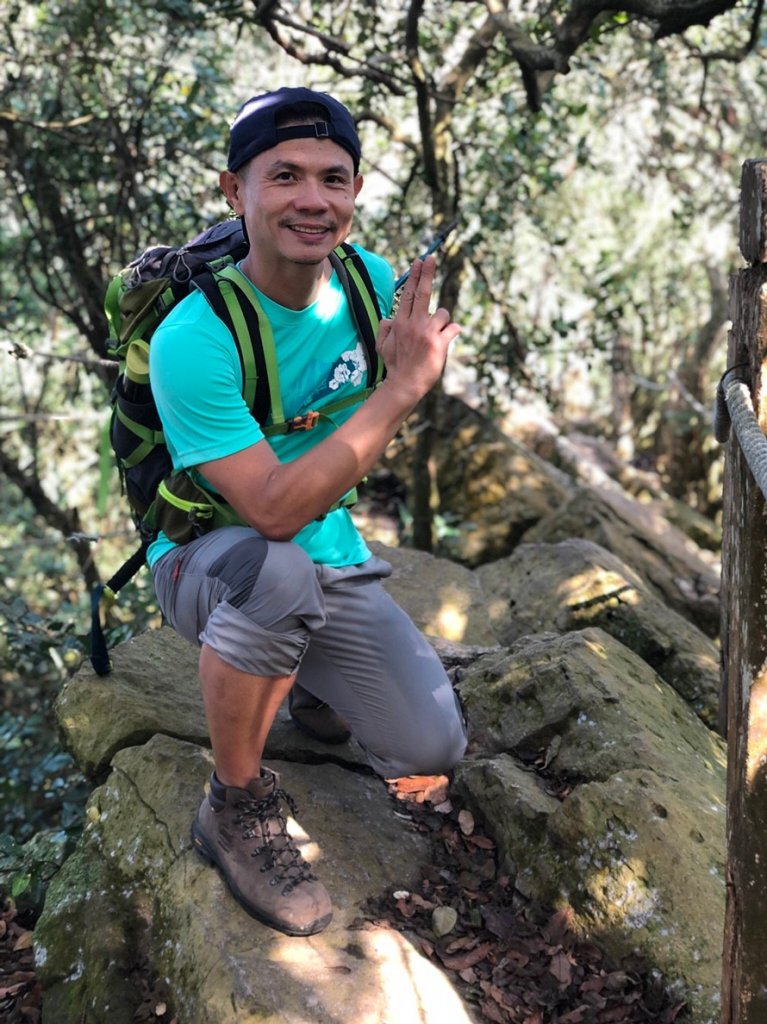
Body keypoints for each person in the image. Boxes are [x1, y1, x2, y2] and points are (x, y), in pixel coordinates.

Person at [147, 86, 467, 938]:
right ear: (233, 191)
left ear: (355, 193)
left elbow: (339, 440)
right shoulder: (196, 337)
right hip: (208, 560)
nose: (312, 200)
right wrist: (401, 392)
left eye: (334, 177)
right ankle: (234, 805)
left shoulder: (365, 285)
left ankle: (305, 685)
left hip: (329, 550)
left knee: (431, 748)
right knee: (280, 572)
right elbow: (272, 510)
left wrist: (392, 379)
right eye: (283, 175)